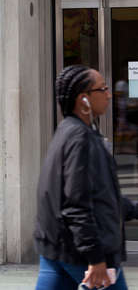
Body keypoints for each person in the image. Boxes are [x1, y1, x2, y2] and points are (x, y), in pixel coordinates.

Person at [34, 65, 138, 290]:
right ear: (84, 100)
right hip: (83, 254)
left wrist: (131, 208)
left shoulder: (67, 131)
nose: (109, 94)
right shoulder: (80, 139)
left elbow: (99, 194)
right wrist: (96, 257)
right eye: (103, 89)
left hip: (57, 248)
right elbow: (76, 204)